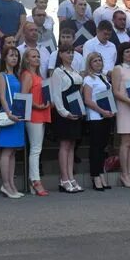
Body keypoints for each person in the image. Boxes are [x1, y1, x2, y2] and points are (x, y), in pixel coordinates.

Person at [49, 44, 84, 193]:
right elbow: (56, 95)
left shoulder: (75, 71)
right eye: (67, 53)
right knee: (64, 145)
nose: (71, 55)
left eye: (72, 53)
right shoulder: (57, 72)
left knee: (72, 145)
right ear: (61, 54)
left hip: (75, 111)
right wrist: (64, 112)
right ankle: (64, 179)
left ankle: (71, 177)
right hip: (64, 113)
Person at [20, 48, 51, 196]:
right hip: (34, 114)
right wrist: (37, 105)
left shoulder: (37, 75)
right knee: (36, 149)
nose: (37, 58)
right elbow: (23, 96)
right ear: (27, 60)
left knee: (37, 148)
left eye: (38, 56)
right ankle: (35, 180)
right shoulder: (27, 75)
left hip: (41, 112)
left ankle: (34, 181)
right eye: (33, 56)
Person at [82, 53, 116, 191]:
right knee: (95, 148)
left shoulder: (103, 77)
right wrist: (102, 111)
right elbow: (88, 100)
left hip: (107, 115)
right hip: (96, 116)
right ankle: (95, 175)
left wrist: (111, 110)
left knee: (102, 147)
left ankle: (101, 173)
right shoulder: (88, 79)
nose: (98, 63)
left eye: (99, 60)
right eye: (95, 61)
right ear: (90, 64)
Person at [0, 46, 25, 198]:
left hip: (17, 115)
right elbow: (2, 96)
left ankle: (11, 184)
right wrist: (9, 113)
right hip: (9, 115)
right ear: (5, 58)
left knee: (13, 152)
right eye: (11, 55)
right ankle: (6, 184)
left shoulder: (16, 75)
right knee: (6, 152)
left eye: (16, 56)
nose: (14, 58)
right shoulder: (2, 75)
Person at [112, 42, 130, 188]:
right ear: (121, 53)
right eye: (127, 52)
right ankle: (124, 174)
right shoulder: (118, 68)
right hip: (125, 107)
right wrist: (129, 101)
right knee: (126, 141)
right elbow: (116, 91)